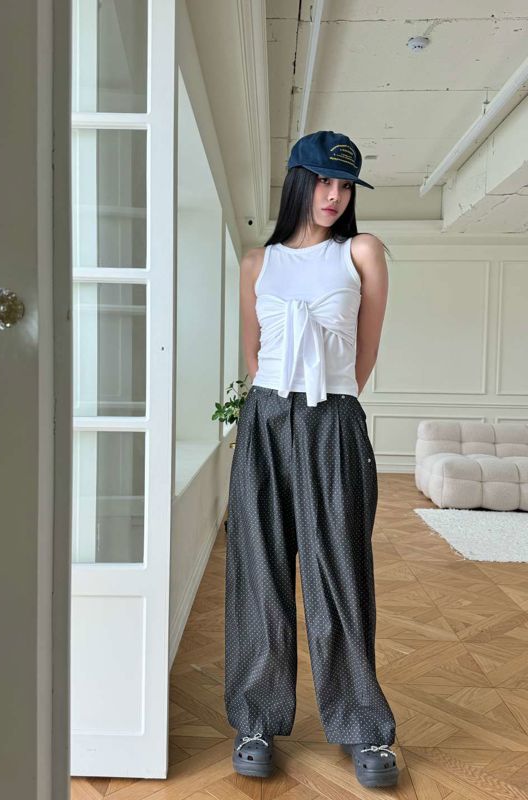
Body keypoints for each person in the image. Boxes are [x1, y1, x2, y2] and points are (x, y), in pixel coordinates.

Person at [224, 131, 399, 788]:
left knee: (340, 573)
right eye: (324, 180)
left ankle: (363, 727)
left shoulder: (362, 252)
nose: (335, 195)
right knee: (258, 571)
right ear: (299, 180)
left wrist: (327, 405)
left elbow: (365, 352)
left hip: (334, 419)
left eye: (345, 185)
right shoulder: (257, 263)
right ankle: (255, 720)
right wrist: (280, 404)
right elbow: (254, 355)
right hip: (266, 418)